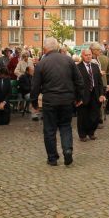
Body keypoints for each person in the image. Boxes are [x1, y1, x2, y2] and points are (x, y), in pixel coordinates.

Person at [31, 37, 83, 166]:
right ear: (57, 47)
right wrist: (78, 98)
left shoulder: (42, 64)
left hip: (50, 101)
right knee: (65, 126)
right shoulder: (68, 60)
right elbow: (79, 81)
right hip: (66, 100)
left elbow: (35, 86)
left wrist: (34, 103)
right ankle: (67, 150)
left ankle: (52, 158)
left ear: (45, 48)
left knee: (49, 129)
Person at [76, 49, 105, 141]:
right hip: (83, 95)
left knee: (95, 115)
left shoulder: (95, 66)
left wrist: (101, 94)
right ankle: (82, 135)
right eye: (86, 55)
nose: (88, 56)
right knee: (82, 116)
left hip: (95, 94)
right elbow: (75, 84)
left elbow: (100, 82)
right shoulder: (77, 67)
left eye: (90, 55)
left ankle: (91, 132)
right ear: (82, 56)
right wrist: (77, 98)